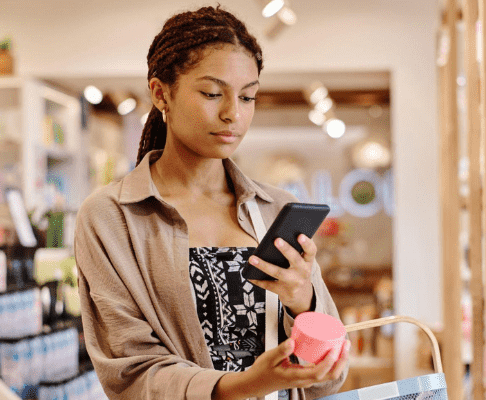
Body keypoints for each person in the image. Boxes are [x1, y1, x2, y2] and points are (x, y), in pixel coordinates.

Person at [74, 6, 349, 400]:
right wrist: (247, 385)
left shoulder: (275, 208)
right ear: (160, 93)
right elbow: (129, 373)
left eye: (248, 96)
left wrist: (303, 301)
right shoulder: (112, 217)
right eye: (212, 93)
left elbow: (329, 378)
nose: (232, 113)